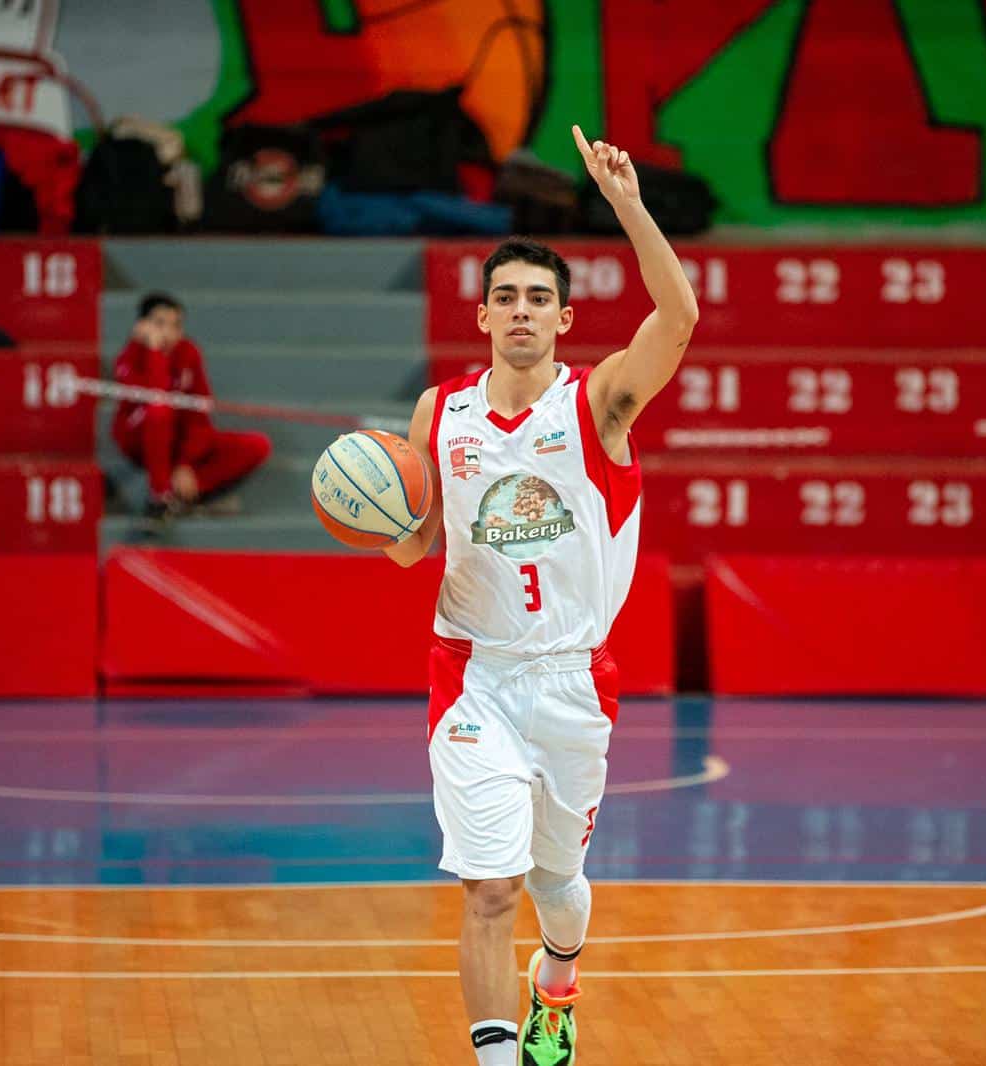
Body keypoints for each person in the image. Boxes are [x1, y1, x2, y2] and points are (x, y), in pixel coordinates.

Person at [383, 126, 698, 1066]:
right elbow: (417, 548)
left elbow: (676, 319)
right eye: (506, 298)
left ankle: (558, 982)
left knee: (558, 882)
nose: (522, 312)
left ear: (563, 319)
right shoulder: (441, 413)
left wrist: (627, 206)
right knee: (489, 886)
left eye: (539, 300)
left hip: (572, 682)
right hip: (472, 677)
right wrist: (375, 522)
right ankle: (498, 1059)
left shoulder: (598, 403)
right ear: (481, 316)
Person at [110, 292, 271, 516]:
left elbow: (200, 414)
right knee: (159, 409)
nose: (169, 332)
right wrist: (154, 350)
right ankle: (159, 496)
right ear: (142, 326)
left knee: (257, 445)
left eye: (176, 325)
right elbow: (158, 393)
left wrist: (185, 464)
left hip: (178, 444)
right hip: (140, 441)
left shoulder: (189, 353)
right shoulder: (129, 358)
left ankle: (185, 494)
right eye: (159, 324)